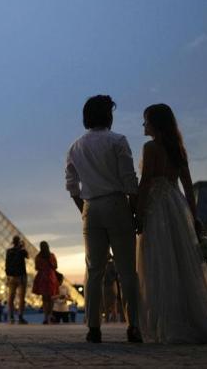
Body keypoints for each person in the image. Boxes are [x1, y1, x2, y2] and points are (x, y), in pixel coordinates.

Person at [136, 103, 207, 343]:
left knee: (159, 264)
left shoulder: (150, 148)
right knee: (183, 265)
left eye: (146, 120)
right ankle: (192, 319)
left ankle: (166, 323)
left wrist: (138, 212)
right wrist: (193, 217)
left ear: (156, 124)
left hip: (157, 208)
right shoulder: (178, 149)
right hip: (176, 205)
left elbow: (145, 182)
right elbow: (189, 188)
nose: (143, 125)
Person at [65, 95, 142, 343]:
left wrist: (84, 209)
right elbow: (130, 181)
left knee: (94, 271)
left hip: (91, 208)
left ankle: (94, 328)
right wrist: (134, 212)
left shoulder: (75, 147)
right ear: (108, 115)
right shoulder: (118, 141)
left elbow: (72, 187)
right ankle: (134, 326)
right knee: (127, 271)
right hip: (117, 204)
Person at [32, 241, 59, 324]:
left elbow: (36, 267)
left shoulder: (38, 257)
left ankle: (45, 317)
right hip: (51, 277)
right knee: (51, 298)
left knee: (44, 298)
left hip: (42, 277)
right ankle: (50, 314)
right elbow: (55, 266)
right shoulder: (52, 256)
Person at [5, 235, 29, 324]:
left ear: (12, 242)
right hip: (21, 277)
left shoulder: (9, 251)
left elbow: (6, 264)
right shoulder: (22, 251)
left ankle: (11, 316)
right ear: (19, 242)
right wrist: (23, 246)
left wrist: (8, 276)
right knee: (21, 297)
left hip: (11, 277)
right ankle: (20, 316)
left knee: (11, 297)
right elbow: (28, 256)